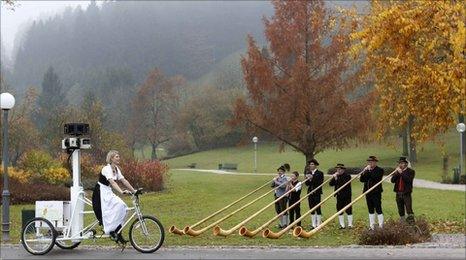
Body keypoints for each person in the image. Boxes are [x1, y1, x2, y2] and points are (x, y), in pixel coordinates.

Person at [92, 150, 136, 245]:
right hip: (100, 192)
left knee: (123, 207)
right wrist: (121, 192)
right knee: (119, 206)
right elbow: (112, 182)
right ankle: (111, 230)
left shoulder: (116, 169)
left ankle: (116, 231)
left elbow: (124, 180)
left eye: (118, 156)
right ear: (111, 158)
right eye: (117, 156)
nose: (119, 158)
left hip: (107, 191)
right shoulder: (106, 169)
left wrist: (134, 191)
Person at [360, 155, 385, 229]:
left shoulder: (380, 170)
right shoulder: (367, 170)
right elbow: (362, 179)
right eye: (369, 162)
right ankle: (372, 225)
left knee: (378, 208)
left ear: (375, 162)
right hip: (368, 192)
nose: (370, 163)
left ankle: (381, 225)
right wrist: (364, 172)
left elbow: (375, 177)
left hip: (376, 192)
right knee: (370, 209)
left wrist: (368, 171)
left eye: (371, 162)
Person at [391, 156, 415, 222]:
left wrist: (401, 173)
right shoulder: (397, 172)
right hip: (398, 193)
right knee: (400, 210)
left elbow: (408, 180)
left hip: (406, 193)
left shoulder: (411, 171)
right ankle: (403, 224)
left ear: (406, 164)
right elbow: (392, 180)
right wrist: (396, 173)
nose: (400, 165)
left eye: (402, 163)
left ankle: (411, 223)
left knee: (408, 209)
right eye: (399, 163)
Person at [329, 164, 353, 229]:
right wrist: (333, 178)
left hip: (346, 195)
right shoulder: (337, 176)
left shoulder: (347, 176)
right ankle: (342, 225)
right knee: (339, 209)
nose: (338, 171)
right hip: (339, 195)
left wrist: (336, 178)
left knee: (348, 209)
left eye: (339, 169)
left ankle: (350, 224)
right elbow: (330, 184)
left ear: (343, 170)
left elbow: (343, 184)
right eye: (337, 169)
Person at [304, 159, 324, 229]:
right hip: (310, 192)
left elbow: (320, 183)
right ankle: (313, 224)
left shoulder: (320, 173)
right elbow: (307, 184)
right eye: (310, 164)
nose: (311, 165)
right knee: (311, 208)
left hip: (317, 193)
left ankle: (318, 224)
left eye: (312, 164)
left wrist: (312, 178)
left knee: (317, 208)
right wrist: (308, 179)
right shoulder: (308, 172)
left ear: (315, 165)